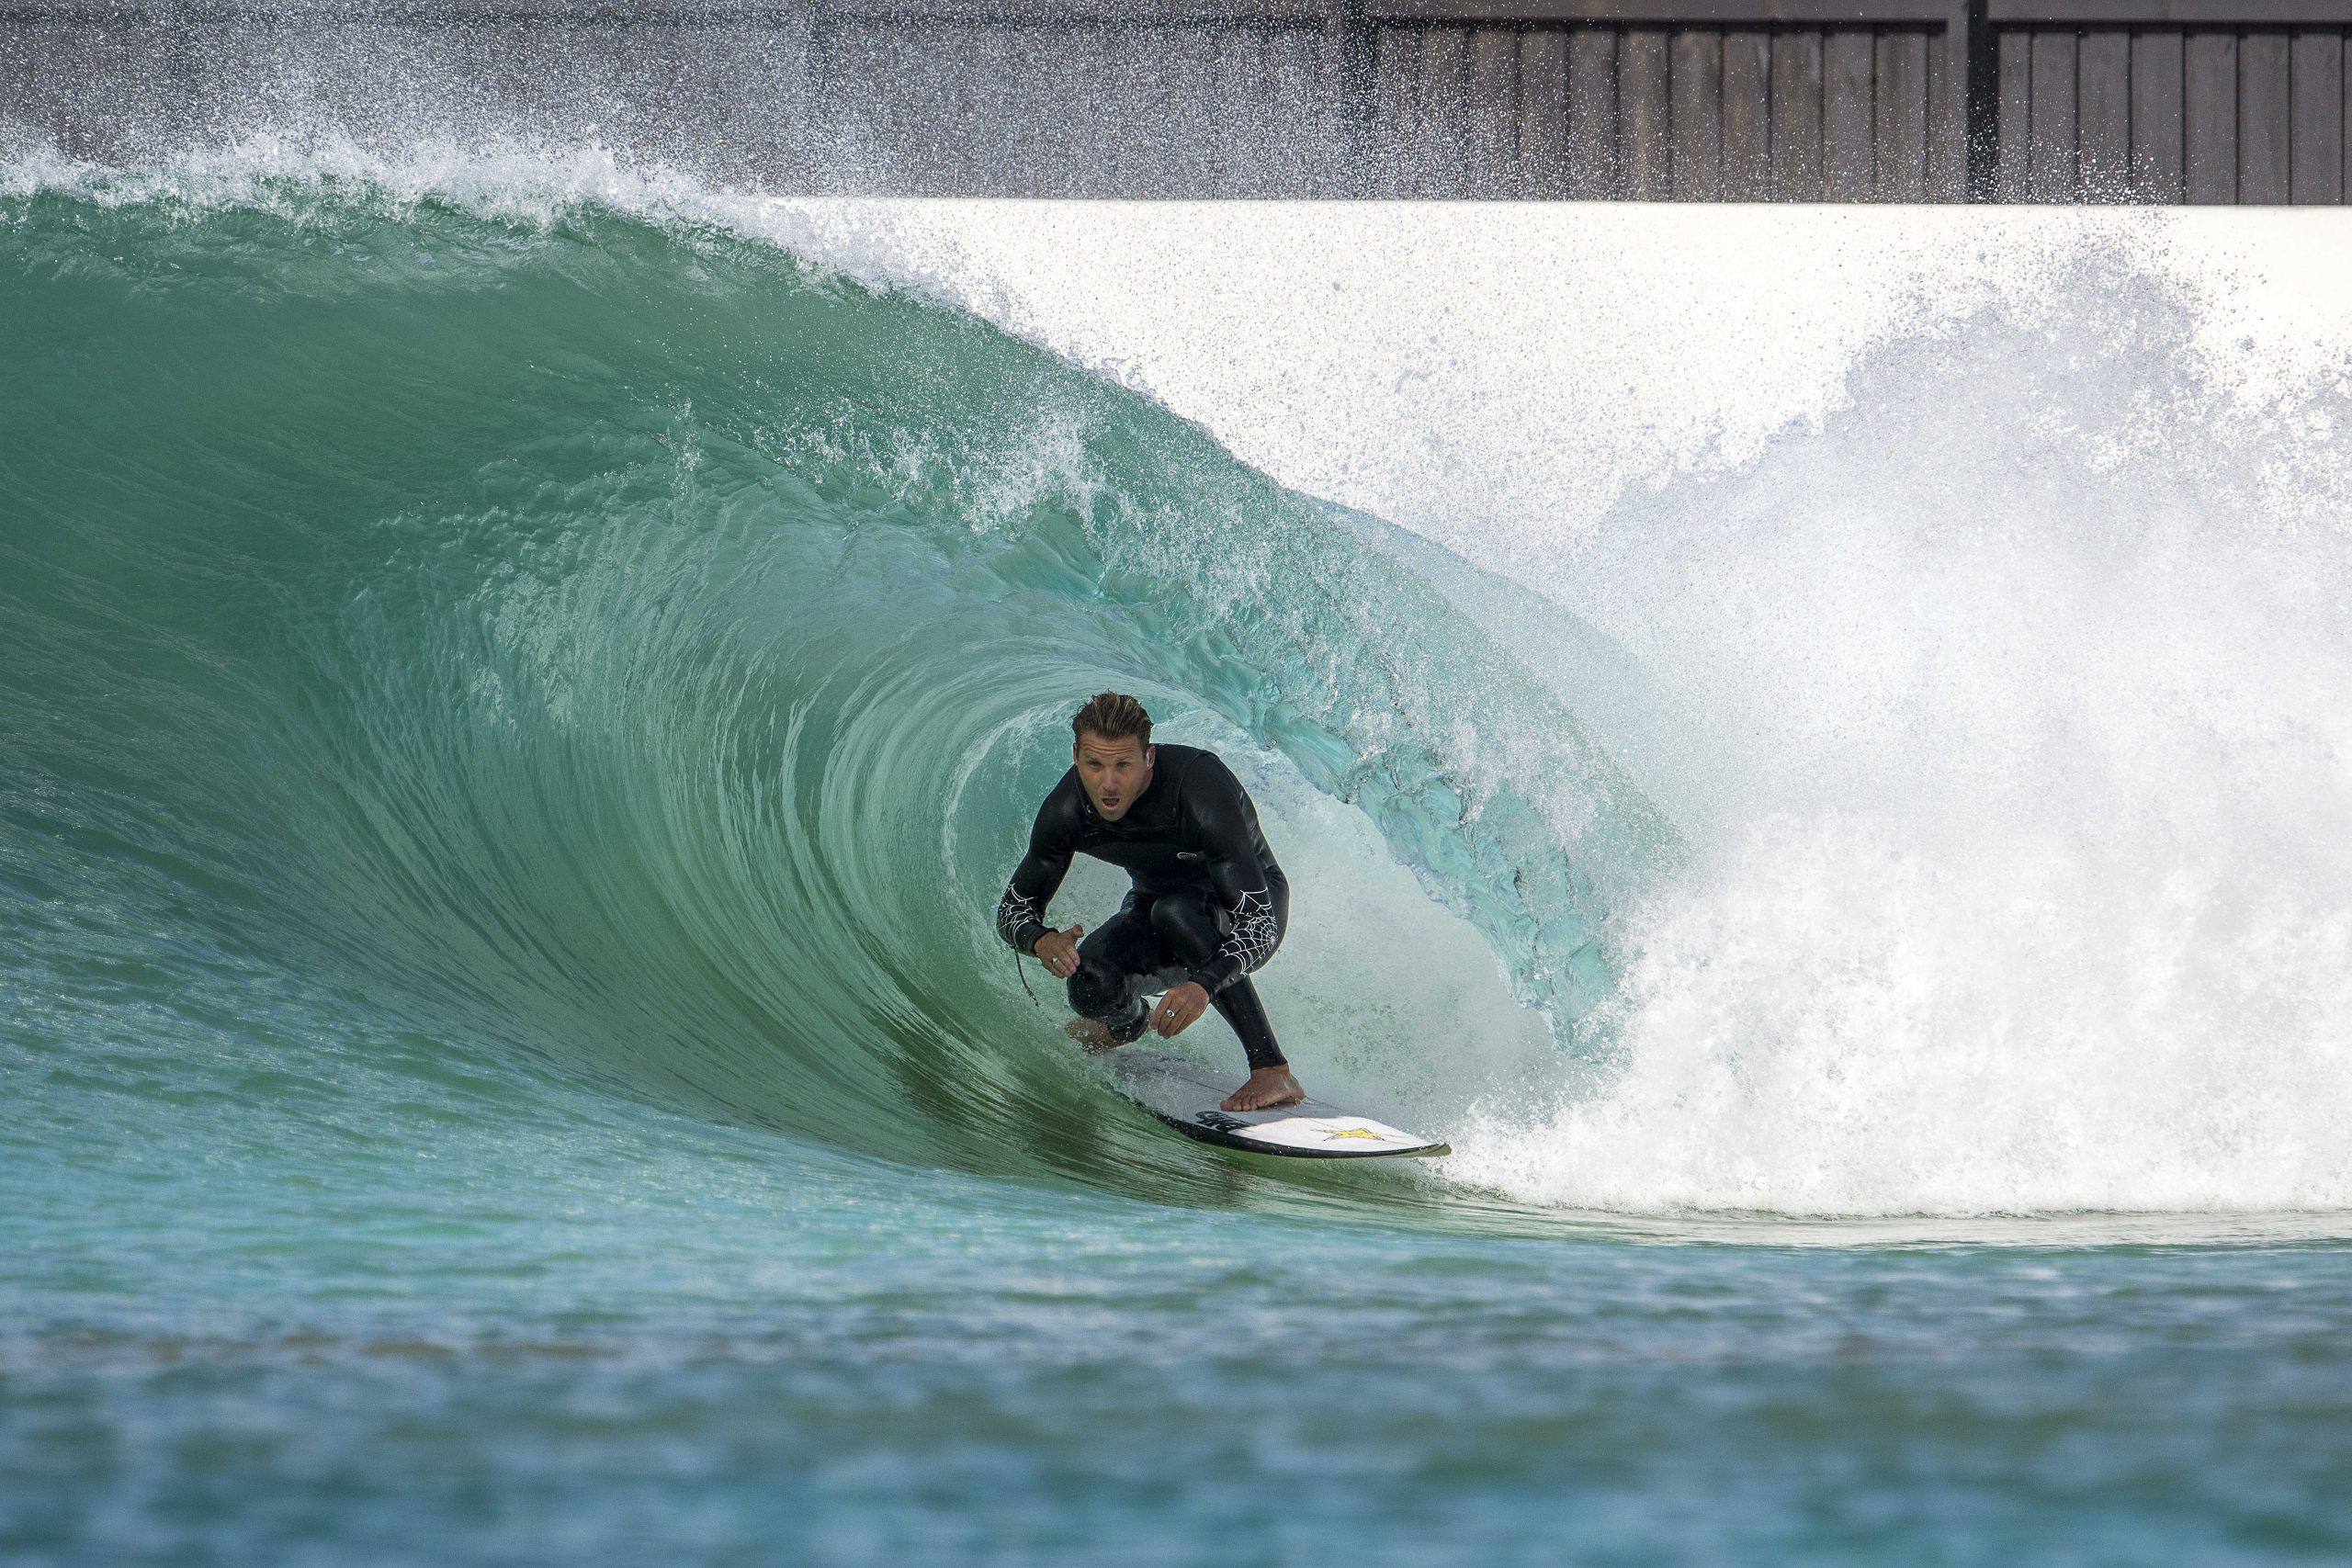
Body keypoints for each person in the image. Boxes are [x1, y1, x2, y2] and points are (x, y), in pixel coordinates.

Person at [995, 693, 1302, 1112]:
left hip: (1245, 912)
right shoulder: (1068, 810)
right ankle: (1127, 1024)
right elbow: (1013, 909)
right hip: (1155, 907)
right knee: (1090, 984)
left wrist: (1204, 984)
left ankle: (1272, 1070)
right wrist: (1040, 939)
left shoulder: (1197, 786)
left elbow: (1260, 921)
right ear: (1076, 757)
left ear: (1149, 758)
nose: (1108, 783)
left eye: (1123, 765)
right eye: (1094, 764)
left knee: (1176, 912)